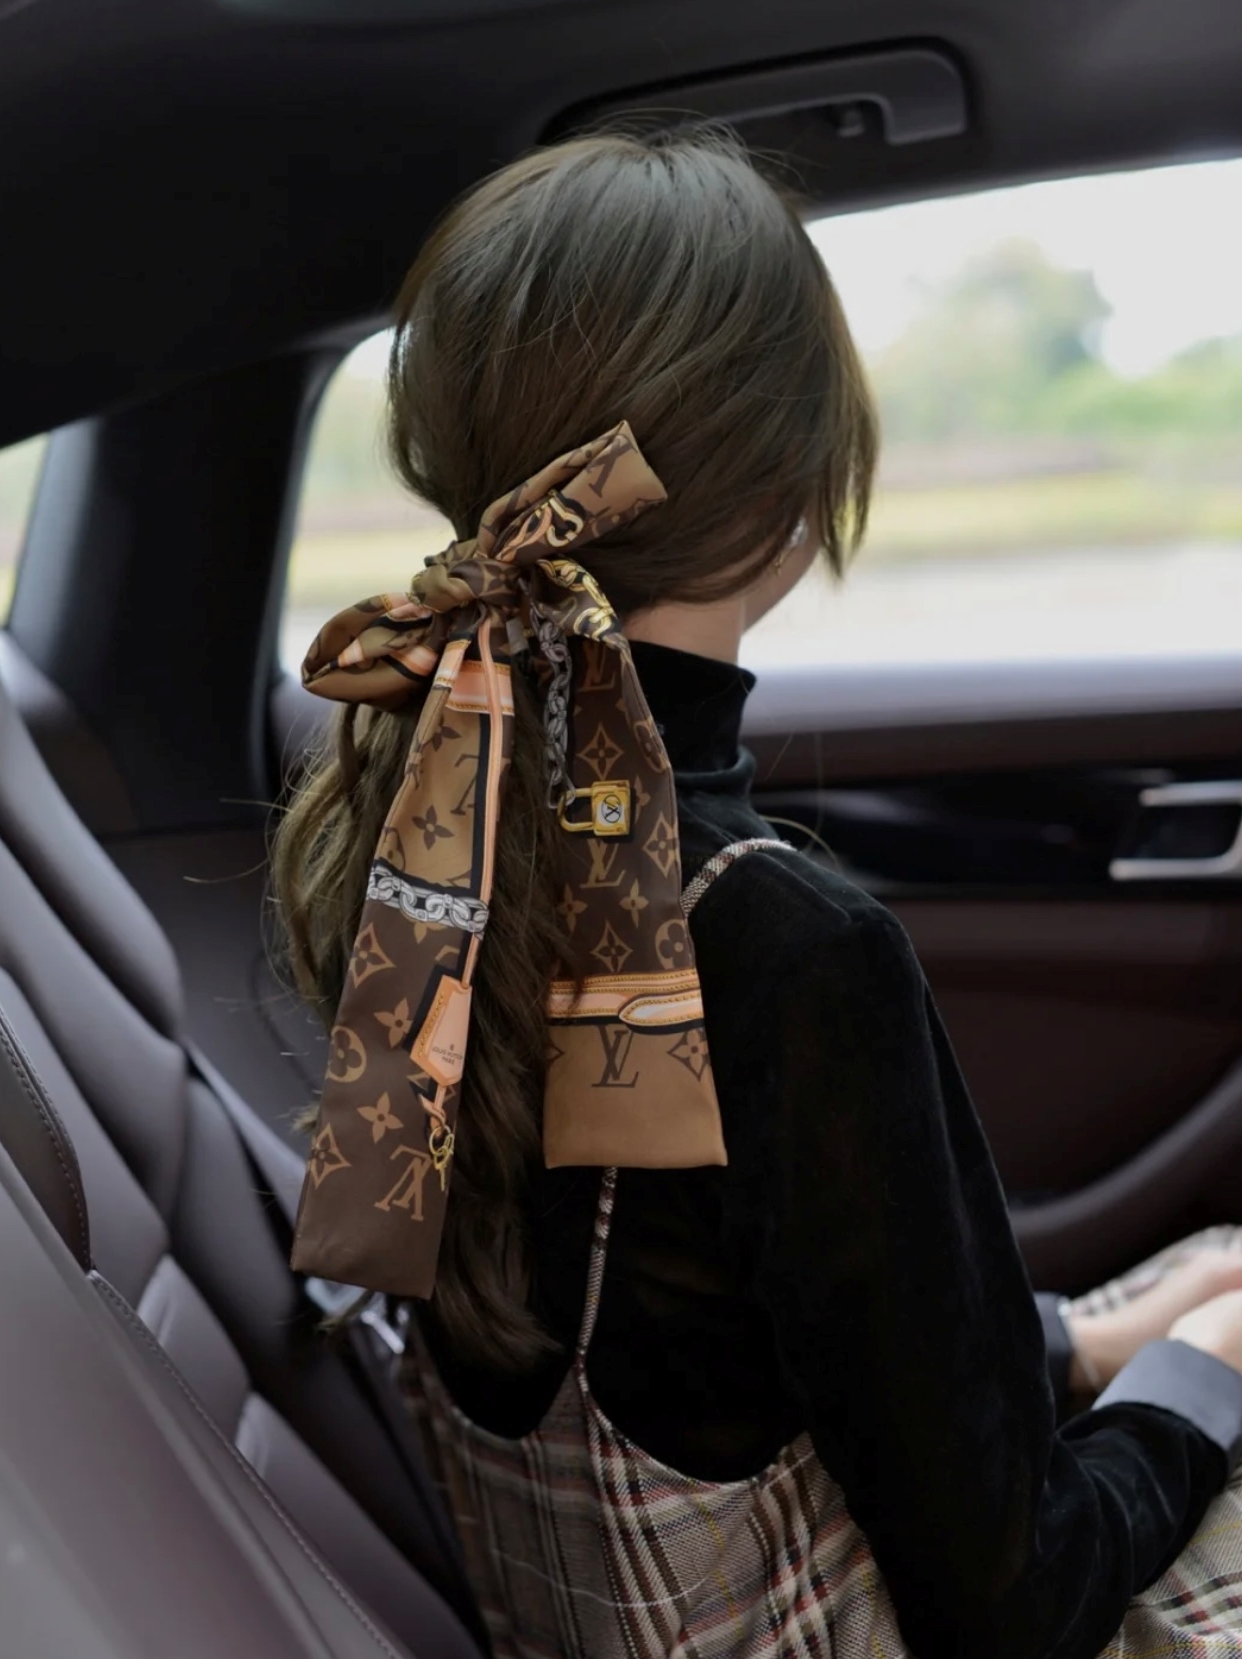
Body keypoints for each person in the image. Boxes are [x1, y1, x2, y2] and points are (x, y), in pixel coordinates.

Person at [272, 131, 1242, 1658]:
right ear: (788, 478)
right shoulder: (783, 945)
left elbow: (715, 1343)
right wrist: (1202, 1373)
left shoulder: (427, 840)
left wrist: (1089, 1346)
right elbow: (1021, 1604)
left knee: (1190, 1281)